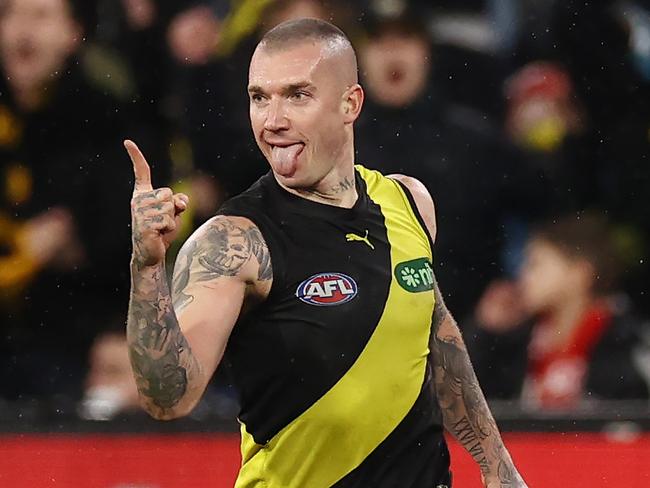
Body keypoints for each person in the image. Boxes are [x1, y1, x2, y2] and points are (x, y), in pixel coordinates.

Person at [124, 19, 527, 487]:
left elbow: (438, 345)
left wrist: (499, 470)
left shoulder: (408, 202)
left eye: (297, 95)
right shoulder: (234, 241)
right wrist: (147, 268)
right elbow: (167, 398)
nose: (273, 120)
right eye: (259, 97)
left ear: (349, 103)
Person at [466, 214, 649, 409]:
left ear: (579, 273)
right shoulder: (519, 341)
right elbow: (464, 402)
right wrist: (484, 331)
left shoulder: (627, 342)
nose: (523, 276)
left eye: (535, 264)